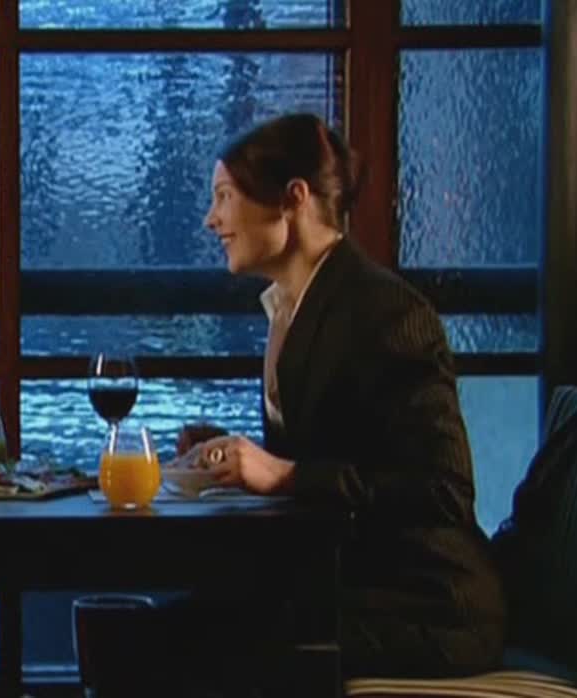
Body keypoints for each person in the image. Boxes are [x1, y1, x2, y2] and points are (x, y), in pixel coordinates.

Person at [171, 112, 506, 687]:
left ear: (292, 199)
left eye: (224, 196)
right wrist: (236, 455)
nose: (211, 218)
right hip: (352, 584)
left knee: (195, 636)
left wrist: (284, 475)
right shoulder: (292, 307)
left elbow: (444, 492)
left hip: (429, 605)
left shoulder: (387, 313)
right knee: (174, 620)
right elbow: (332, 448)